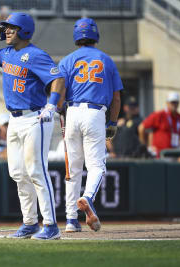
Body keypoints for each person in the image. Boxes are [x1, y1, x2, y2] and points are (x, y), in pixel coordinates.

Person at [0, 12, 65, 240]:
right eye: (6, 27)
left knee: (37, 171)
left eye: (12, 28)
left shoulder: (36, 55)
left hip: (35, 118)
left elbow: (57, 78)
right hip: (15, 120)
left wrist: (51, 105)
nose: (6, 31)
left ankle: (50, 225)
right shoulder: (7, 52)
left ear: (24, 31)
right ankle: (29, 222)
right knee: (18, 173)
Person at [58, 18, 123, 233]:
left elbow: (60, 93)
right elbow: (116, 98)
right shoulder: (106, 60)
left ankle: (70, 220)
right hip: (95, 113)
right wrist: (112, 123)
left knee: (72, 170)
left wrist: (60, 110)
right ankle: (87, 197)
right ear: (96, 35)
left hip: (72, 112)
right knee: (96, 166)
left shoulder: (67, 60)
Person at [138, 92, 180, 158]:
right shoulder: (159, 115)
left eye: (176, 102)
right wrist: (145, 147)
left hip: (175, 154)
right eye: (172, 102)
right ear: (167, 103)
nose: (174, 104)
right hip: (159, 155)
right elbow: (141, 128)